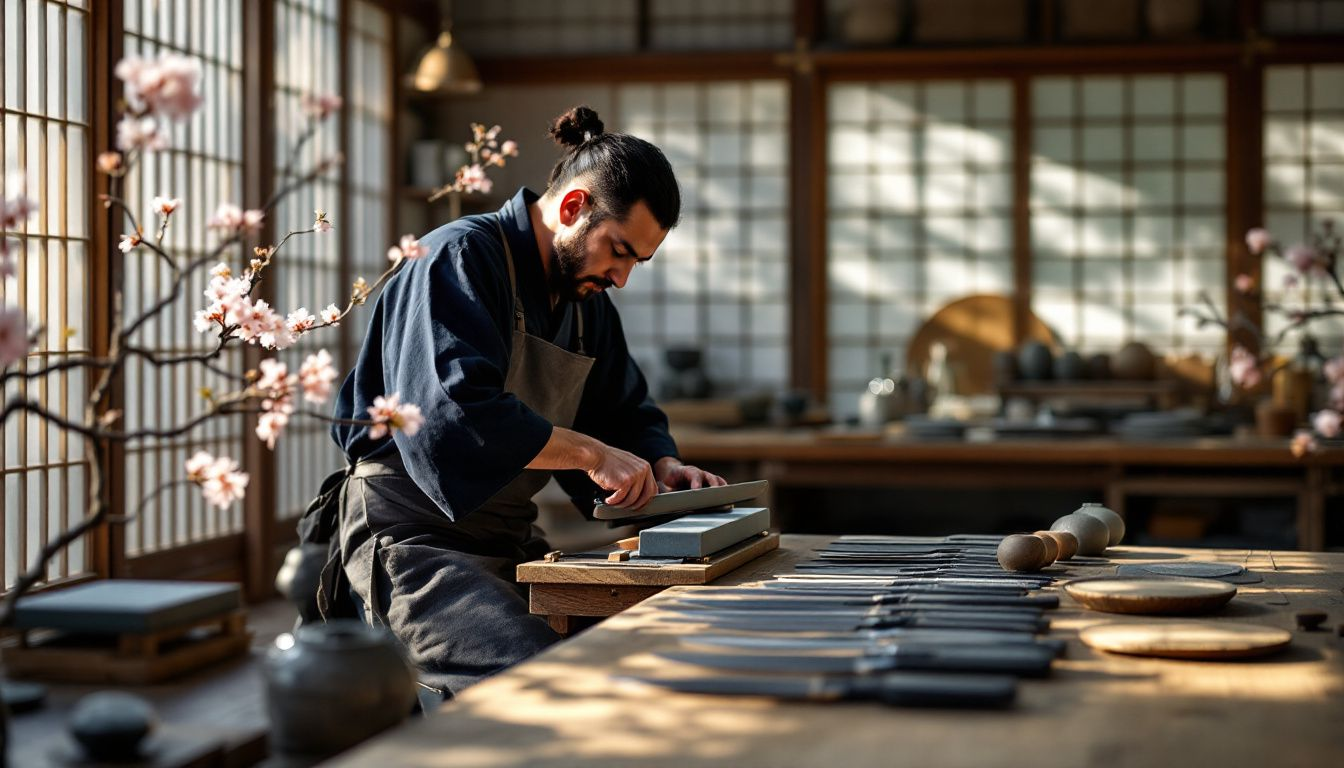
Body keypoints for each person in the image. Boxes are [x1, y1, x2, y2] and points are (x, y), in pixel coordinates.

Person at [326, 105, 726, 700]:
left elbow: (624, 413)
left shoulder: (586, 304)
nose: (622, 278)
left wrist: (658, 464)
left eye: (636, 262)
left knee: (634, 657)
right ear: (573, 208)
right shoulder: (456, 257)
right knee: (540, 692)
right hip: (416, 540)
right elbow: (454, 412)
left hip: (510, 541)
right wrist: (592, 455)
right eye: (618, 251)